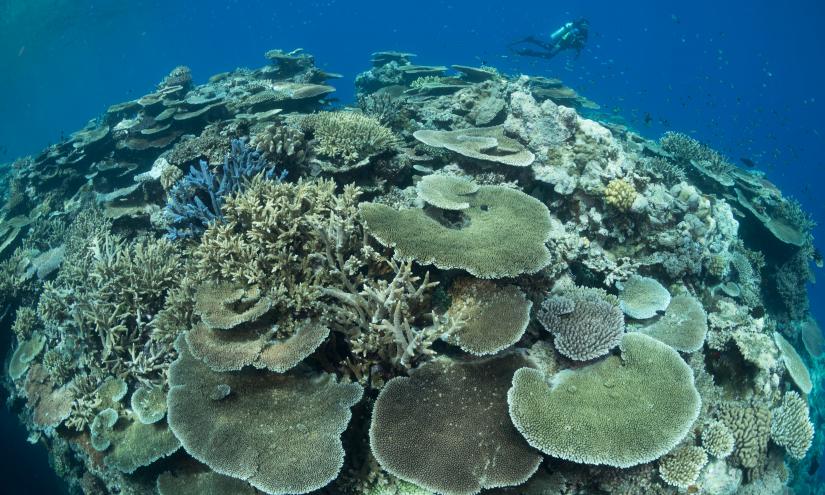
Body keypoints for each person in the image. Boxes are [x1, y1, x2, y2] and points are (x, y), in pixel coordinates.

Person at [509, 19, 589, 59]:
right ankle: (527, 52)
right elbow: (568, 38)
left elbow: (579, 45)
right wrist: (560, 45)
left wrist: (578, 52)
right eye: (584, 26)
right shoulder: (576, 31)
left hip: (563, 45)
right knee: (549, 56)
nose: (585, 28)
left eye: (586, 26)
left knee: (548, 47)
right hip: (561, 44)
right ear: (581, 25)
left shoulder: (585, 34)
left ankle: (531, 40)